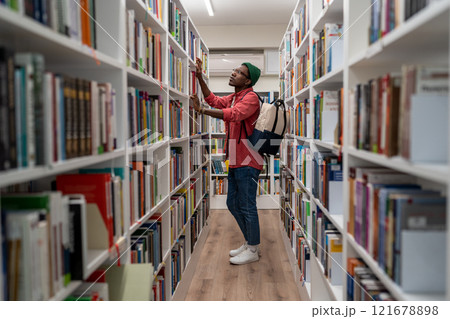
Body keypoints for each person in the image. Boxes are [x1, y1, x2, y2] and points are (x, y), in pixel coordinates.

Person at [190, 57, 264, 265]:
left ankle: (253, 248)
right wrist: (199, 77)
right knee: (232, 202)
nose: (233, 73)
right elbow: (214, 100)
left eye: (239, 72)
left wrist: (201, 111)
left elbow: (232, 115)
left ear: (248, 81)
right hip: (236, 159)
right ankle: (250, 241)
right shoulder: (235, 96)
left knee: (247, 205)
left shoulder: (250, 98)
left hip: (249, 160)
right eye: (234, 70)